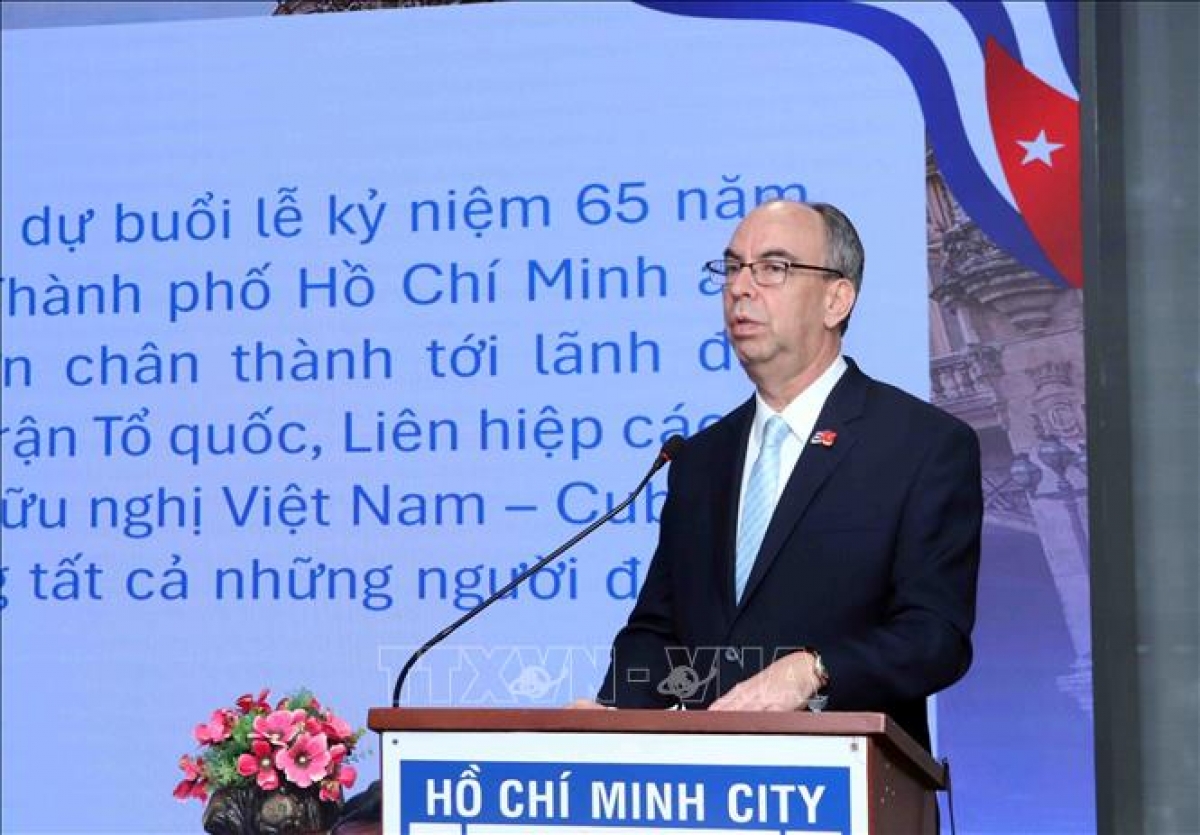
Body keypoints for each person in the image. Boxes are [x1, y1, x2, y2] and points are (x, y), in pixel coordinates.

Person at [589, 199, 982, 750]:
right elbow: (656, 633)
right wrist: (615, 715)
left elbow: (934, 637)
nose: (740, 288)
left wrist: (815, 669)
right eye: (732, 268)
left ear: (835, 299)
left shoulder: (921, 445)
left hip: (847, 785)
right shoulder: (700, 459)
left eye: (773, 268)